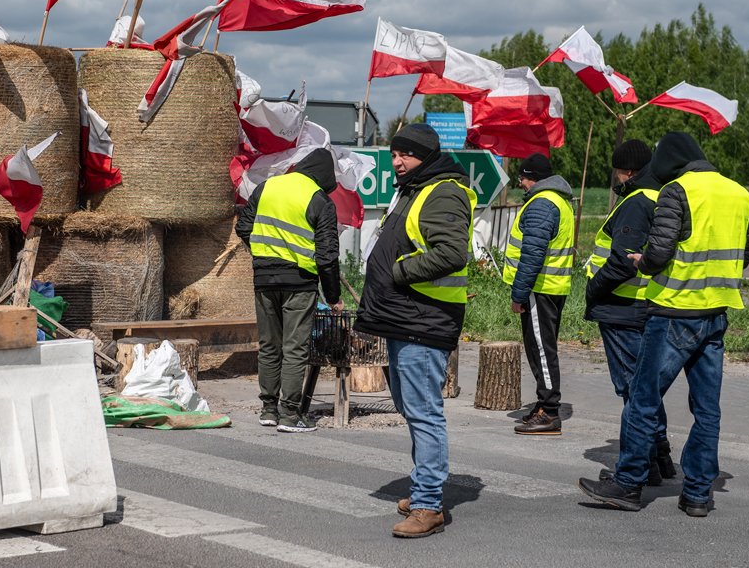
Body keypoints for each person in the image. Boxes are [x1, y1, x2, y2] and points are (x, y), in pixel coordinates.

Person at [578, 131, 749, 518]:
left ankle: (627, 483)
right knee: (706, 409)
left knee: (642, 400)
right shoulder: (738, 192)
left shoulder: (678, 190)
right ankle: (697, 494)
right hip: (717, 314)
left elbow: (658, 252)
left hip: (673, 310)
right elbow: (747, 253)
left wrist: (643, 262)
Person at [355, 123, 474, 538]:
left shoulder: (442, 191)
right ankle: (427, 485)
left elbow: (453, 253)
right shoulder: (415, 189)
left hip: (425, 319)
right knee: (412, 409)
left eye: (405, 155)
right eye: (394, 155)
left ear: (425, 155)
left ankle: (427, 505)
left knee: (424, 412)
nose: (398, 162)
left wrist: (398, 272)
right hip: (405, 317)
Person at [583, 139, 676, 484]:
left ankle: (641, 466)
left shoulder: (637, 202)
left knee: (632, 391)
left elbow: (622, 261)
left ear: (628, 171)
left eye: (618, 171)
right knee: (645, 386)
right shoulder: (660, 196)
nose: (616, 178)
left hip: (621, 308)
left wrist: (594, 289)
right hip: (644, 305)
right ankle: (660, 456)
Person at [235, 147, 342, 433]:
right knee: (295, 348)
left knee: (270, 345)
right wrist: (333, 297)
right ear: (324, 177)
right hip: (299, 282)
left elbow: (243, 227)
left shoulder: (267, 187)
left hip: (264, 278)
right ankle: (290, 414)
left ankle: (268, 409)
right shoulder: (320, 200)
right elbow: (328, 256)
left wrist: (264, 252)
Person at [503, 153, 575, 435]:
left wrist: (519, 294)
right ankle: (544, 404)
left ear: (530, 177)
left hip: (539, 289)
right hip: (550, 287)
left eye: (521, 177)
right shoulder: (558, 199)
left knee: (542, 352)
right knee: (541, 348)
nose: (520, 183)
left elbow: (532, 254)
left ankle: (549, 411)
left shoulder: (542, 203)